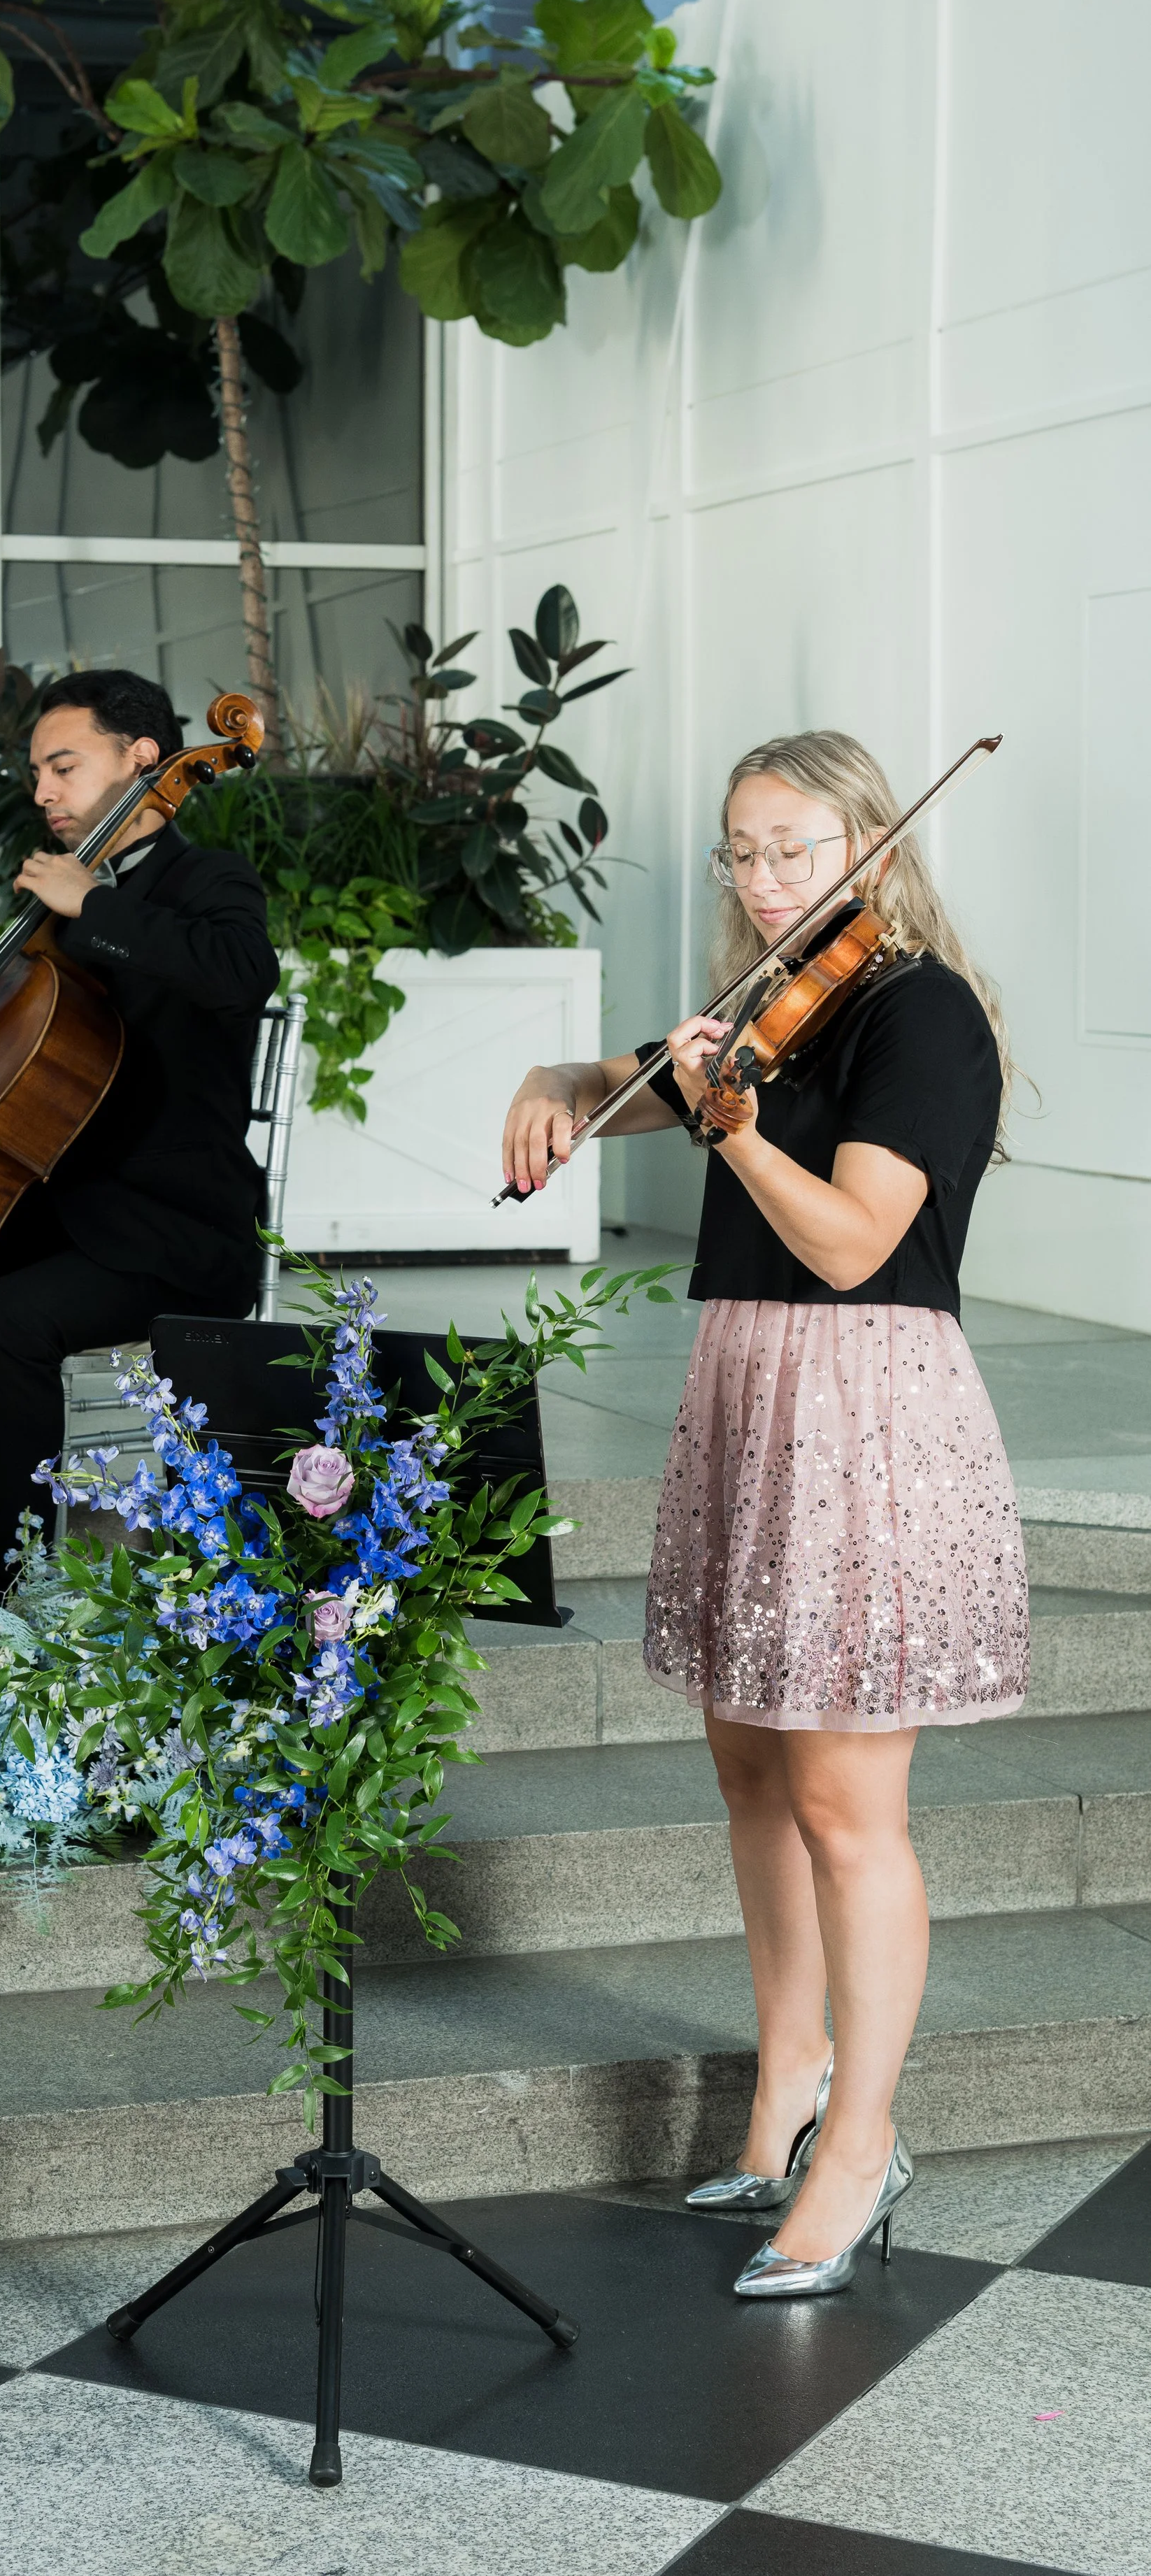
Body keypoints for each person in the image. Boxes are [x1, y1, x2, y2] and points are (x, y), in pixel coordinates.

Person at [501, 729, 1028, 2298]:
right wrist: (560, 1078)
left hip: (862, 1404)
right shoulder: (759, 1008)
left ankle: (862, 2144)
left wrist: (730, 1131)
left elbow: (856, 1242)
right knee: (749, 1769)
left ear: (872, 846)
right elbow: (630, 1086)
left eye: (796, 846)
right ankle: (787, 2081)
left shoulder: (919, 1010)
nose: (767, 875)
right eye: (742, 850)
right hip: (748, 1383)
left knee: (846, 1807)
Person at [0, 666, 279, 1584]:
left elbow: (241, 974)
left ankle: (11, 1582)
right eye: (38, 772)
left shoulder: (206, 882)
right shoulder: (60, 906)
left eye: (63, 767)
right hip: (61, 1208)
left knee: (6, 1320)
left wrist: (96, 907)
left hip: (174, 1230)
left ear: (143, 758)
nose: (42, 792)